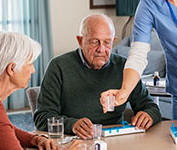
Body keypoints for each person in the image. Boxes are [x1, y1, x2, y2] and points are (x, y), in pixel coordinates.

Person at [33, 14, 161, 138]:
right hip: (73, 140)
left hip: (114, 139)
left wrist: (148, 115)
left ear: (113, 41)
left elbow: (151, 107)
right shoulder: (58, 66)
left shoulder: (125, 67)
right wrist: (71, 125)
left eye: (107, 42)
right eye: (94, 42)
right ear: (80, 40)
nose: (101, 49)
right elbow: (42, 117)